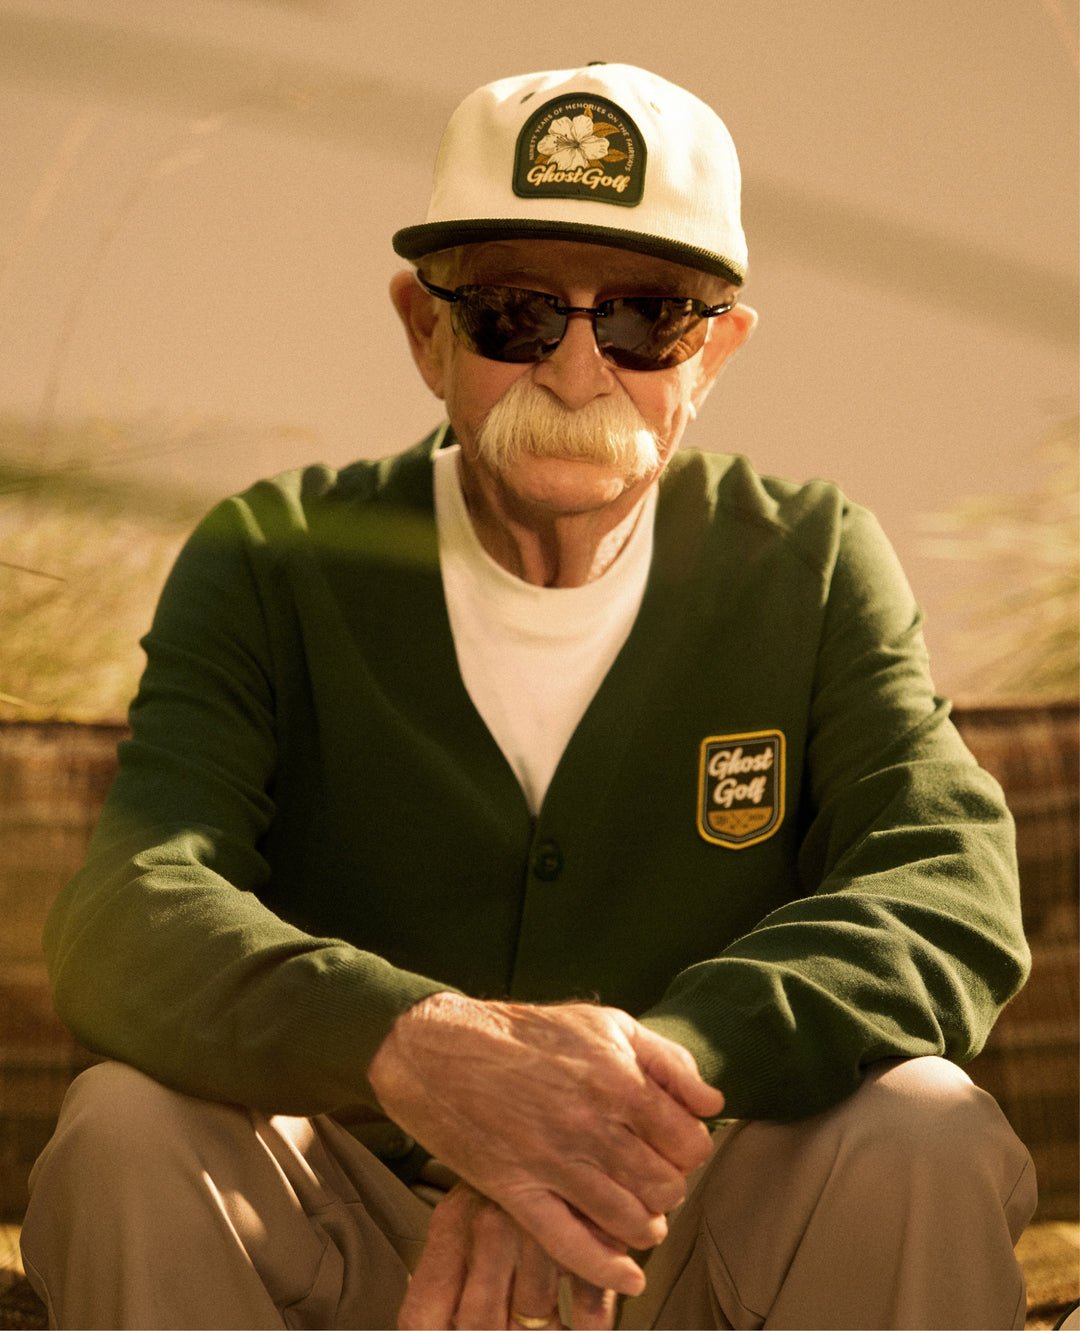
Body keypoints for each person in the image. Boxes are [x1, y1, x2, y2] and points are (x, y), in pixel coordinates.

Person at [21, 62, 1036, 1331]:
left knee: (926, 1127)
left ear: (715, 351)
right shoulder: (273, 557)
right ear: (425, 330)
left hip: (687, 1223)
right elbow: (129, 908)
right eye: (514, 312)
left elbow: (947, 888)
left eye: (647, 318)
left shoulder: (813, 560)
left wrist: (615, 1100)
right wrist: (419, 1047)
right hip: (364, 1242)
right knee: (123, 1130)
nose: (576, 368)